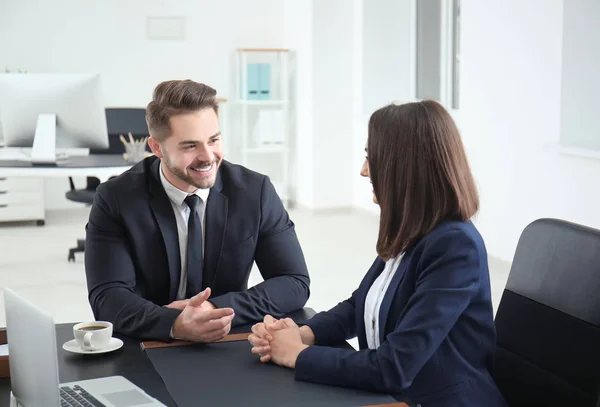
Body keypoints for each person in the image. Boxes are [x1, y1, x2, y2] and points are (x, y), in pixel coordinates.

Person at [248, 100, 508, 406]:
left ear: (405, 168)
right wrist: (305, 333)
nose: (363, 171)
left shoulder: (454, 246)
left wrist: (297, 354)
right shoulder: (413, 229)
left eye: (372, 158)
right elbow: (363, 303)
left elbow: (393, 366)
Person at [84, 79, 310, 342]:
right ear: (157, 147)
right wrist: (174, 324)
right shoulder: (115, 198)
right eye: (190, 145)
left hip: (226, 340)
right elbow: (107, 296)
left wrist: (212, 309)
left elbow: (294, 282)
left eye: (213, 140)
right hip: (148, 339)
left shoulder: (254, 191)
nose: (208, 156)